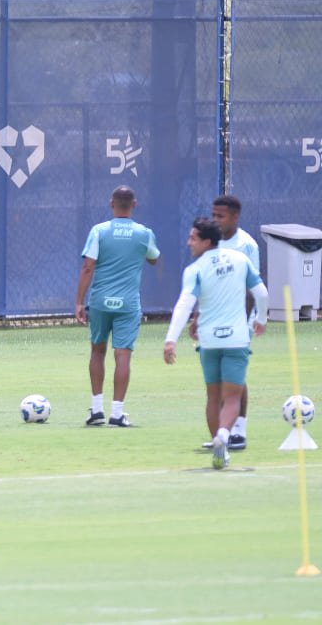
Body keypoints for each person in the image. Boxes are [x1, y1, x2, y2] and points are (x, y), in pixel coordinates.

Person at [164, 217, 268, 470]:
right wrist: (262, 319)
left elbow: (184, 304)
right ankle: (224, 435)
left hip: (209, 340)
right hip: (236, 338)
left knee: (213, 396)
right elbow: (262, 293)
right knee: (232, 397)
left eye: (193, 238)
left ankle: (218, 443)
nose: (189, 242)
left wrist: (170, 340)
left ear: (207, 241)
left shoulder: (195, 270)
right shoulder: (240, 260)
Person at [75, 185, 160, 428]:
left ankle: (96, 410)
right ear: (134, 205)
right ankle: (117, 413)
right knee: (122, 356)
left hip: (100, 302)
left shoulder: (99, 231)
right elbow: (153, 258)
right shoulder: (144, 233)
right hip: (128, 304)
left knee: (97, 351)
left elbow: (88, 267)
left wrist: (79, 301)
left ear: (111, 203)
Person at [200, 195, 260, 451]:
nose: (216, 220)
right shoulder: (210, 241)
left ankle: (239, 431)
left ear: (235, 217)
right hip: (212, 321)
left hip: (238, 322)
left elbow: (252, 289)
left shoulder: (246, 245)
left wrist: (242, 324)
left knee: (235, 376)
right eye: (213, 215)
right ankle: (220, 433)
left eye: (220, 216)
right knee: (216, 379)